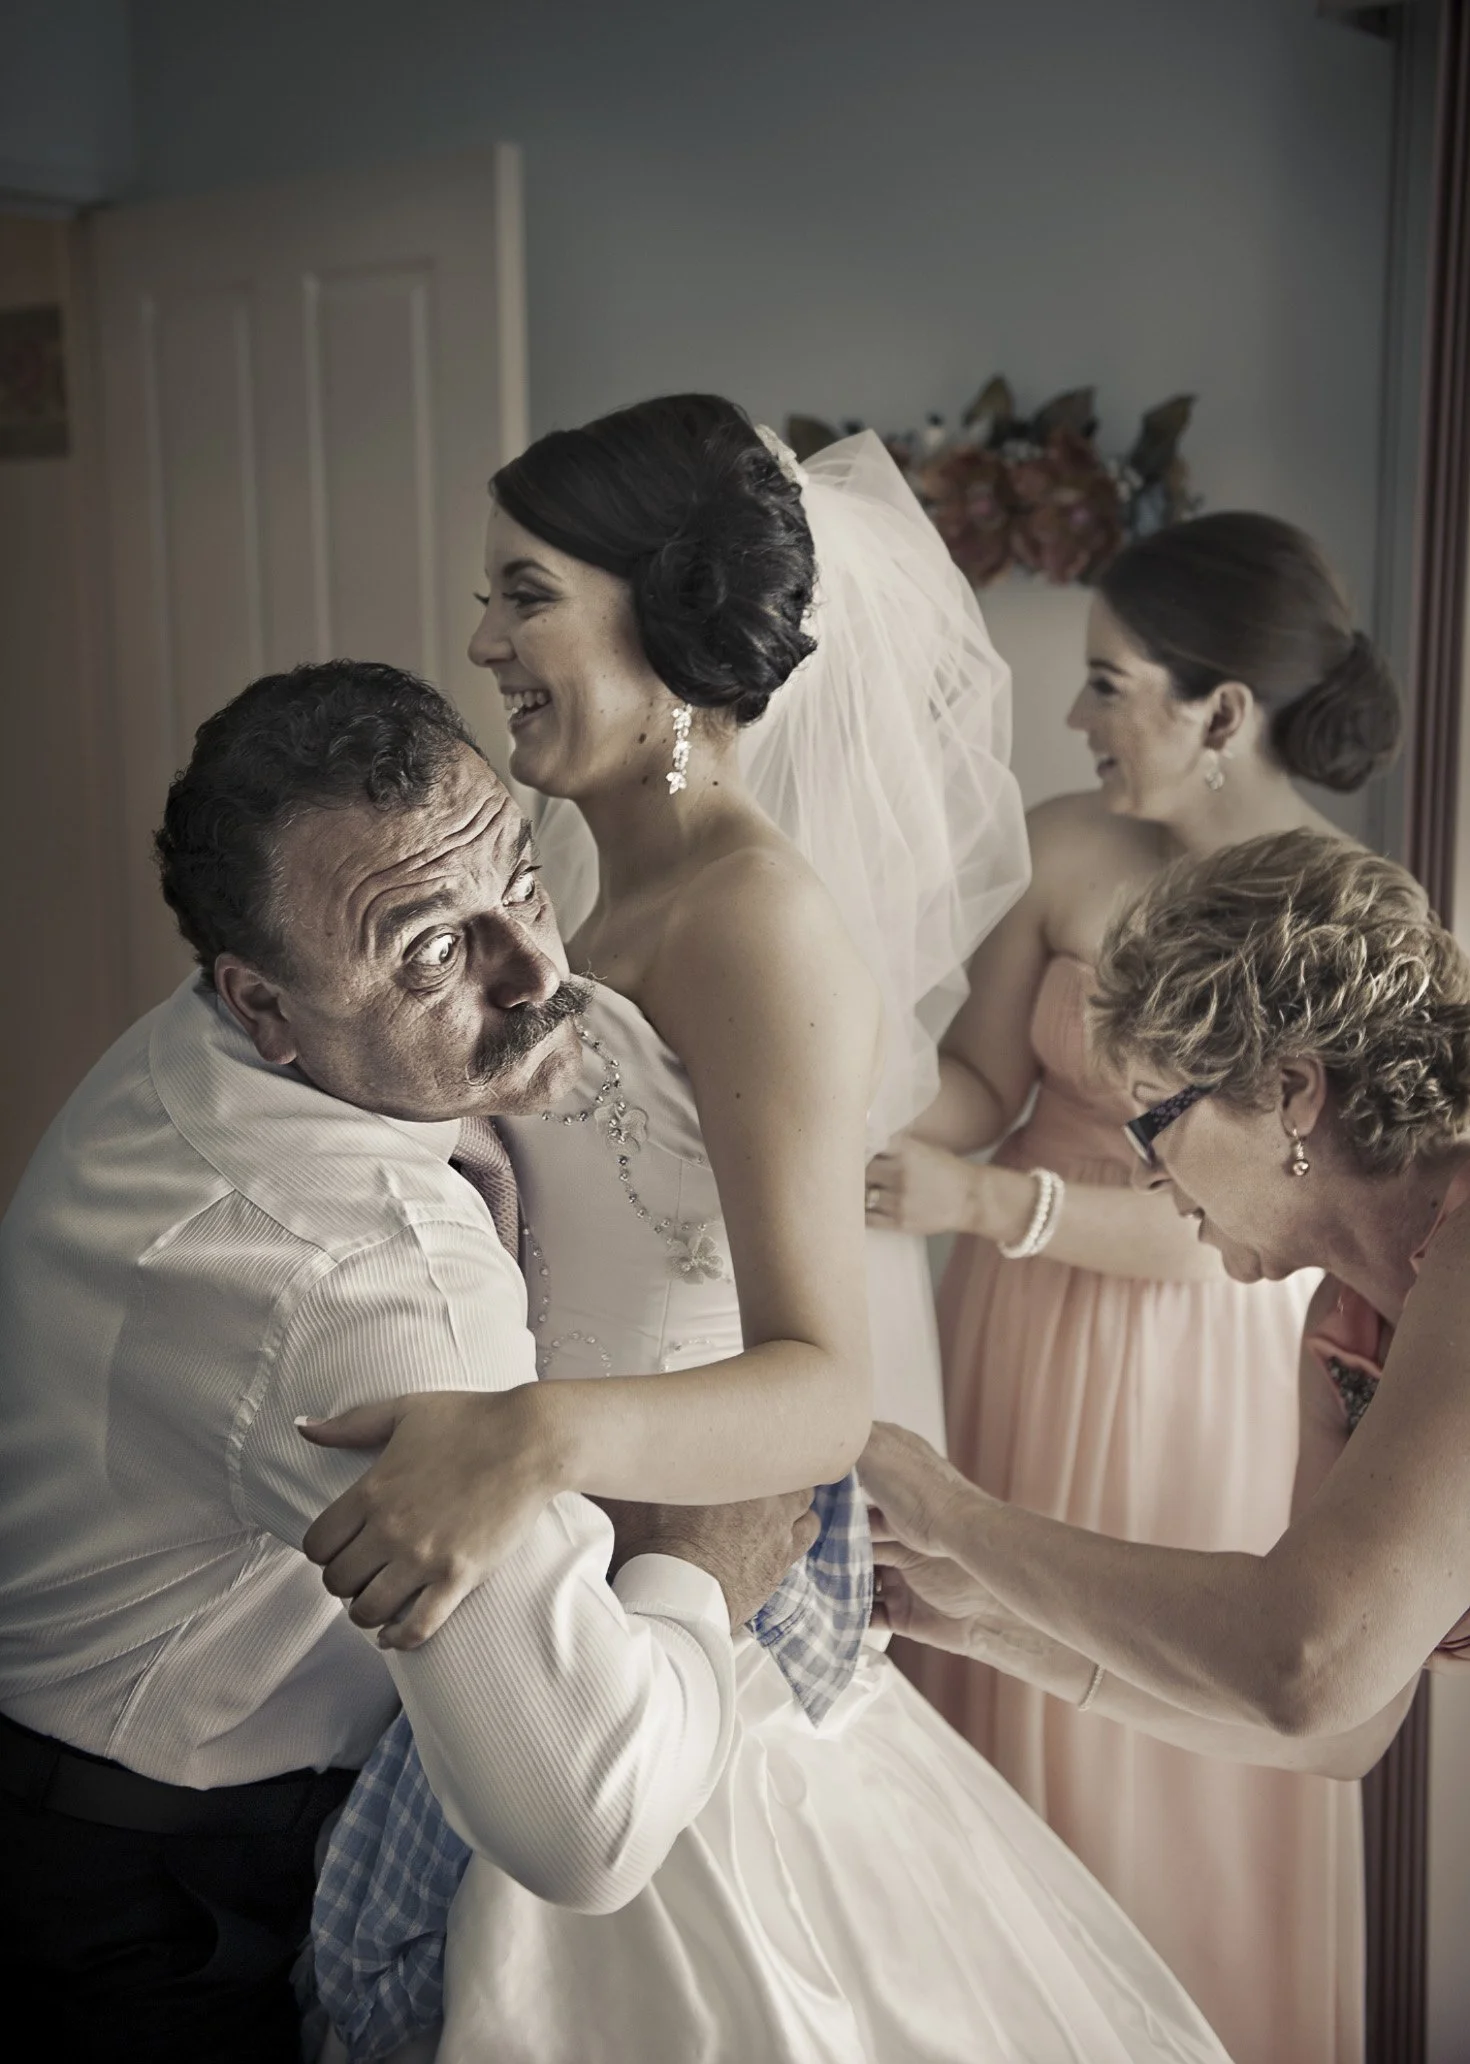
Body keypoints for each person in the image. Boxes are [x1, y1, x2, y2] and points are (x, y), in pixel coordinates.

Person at [303, 397, 1228, 2063]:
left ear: (659, 608)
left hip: (675, 1594)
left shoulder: (754, 919)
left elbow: (818, 1384)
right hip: (569, 1577)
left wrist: (532, 1433)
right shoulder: (606, 890)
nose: (481, 637)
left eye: (524, 592)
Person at [0, 660, 818, 2063]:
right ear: (261, 1002)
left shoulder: (194, 1053)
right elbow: (585, 1821)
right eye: (431, 951)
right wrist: (702, 1567)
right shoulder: (375, 1286)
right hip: (153, 1907)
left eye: (522, 880)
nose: (538, 974)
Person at [862, 512, 1400, 2064]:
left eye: (1108, 685)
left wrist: (989, 1202)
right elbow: (974, 1074)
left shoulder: (1338, 923)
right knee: (985, 1656)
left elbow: (1264, 1224)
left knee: (1168, 1731)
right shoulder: (1057, 846)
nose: (1077, 718)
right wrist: (859, 1131)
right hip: (1017, 1340)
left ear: (1219, 712)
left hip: (1203, 1355)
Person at [859, 827, 1470, 1853]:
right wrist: (992, 1623)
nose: (1147, 1175)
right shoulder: (1344, 1338)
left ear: (1291, 1092)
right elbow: (1340, 1731)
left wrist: (959, 1516)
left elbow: (1305, 1658)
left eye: (1155, 1120)